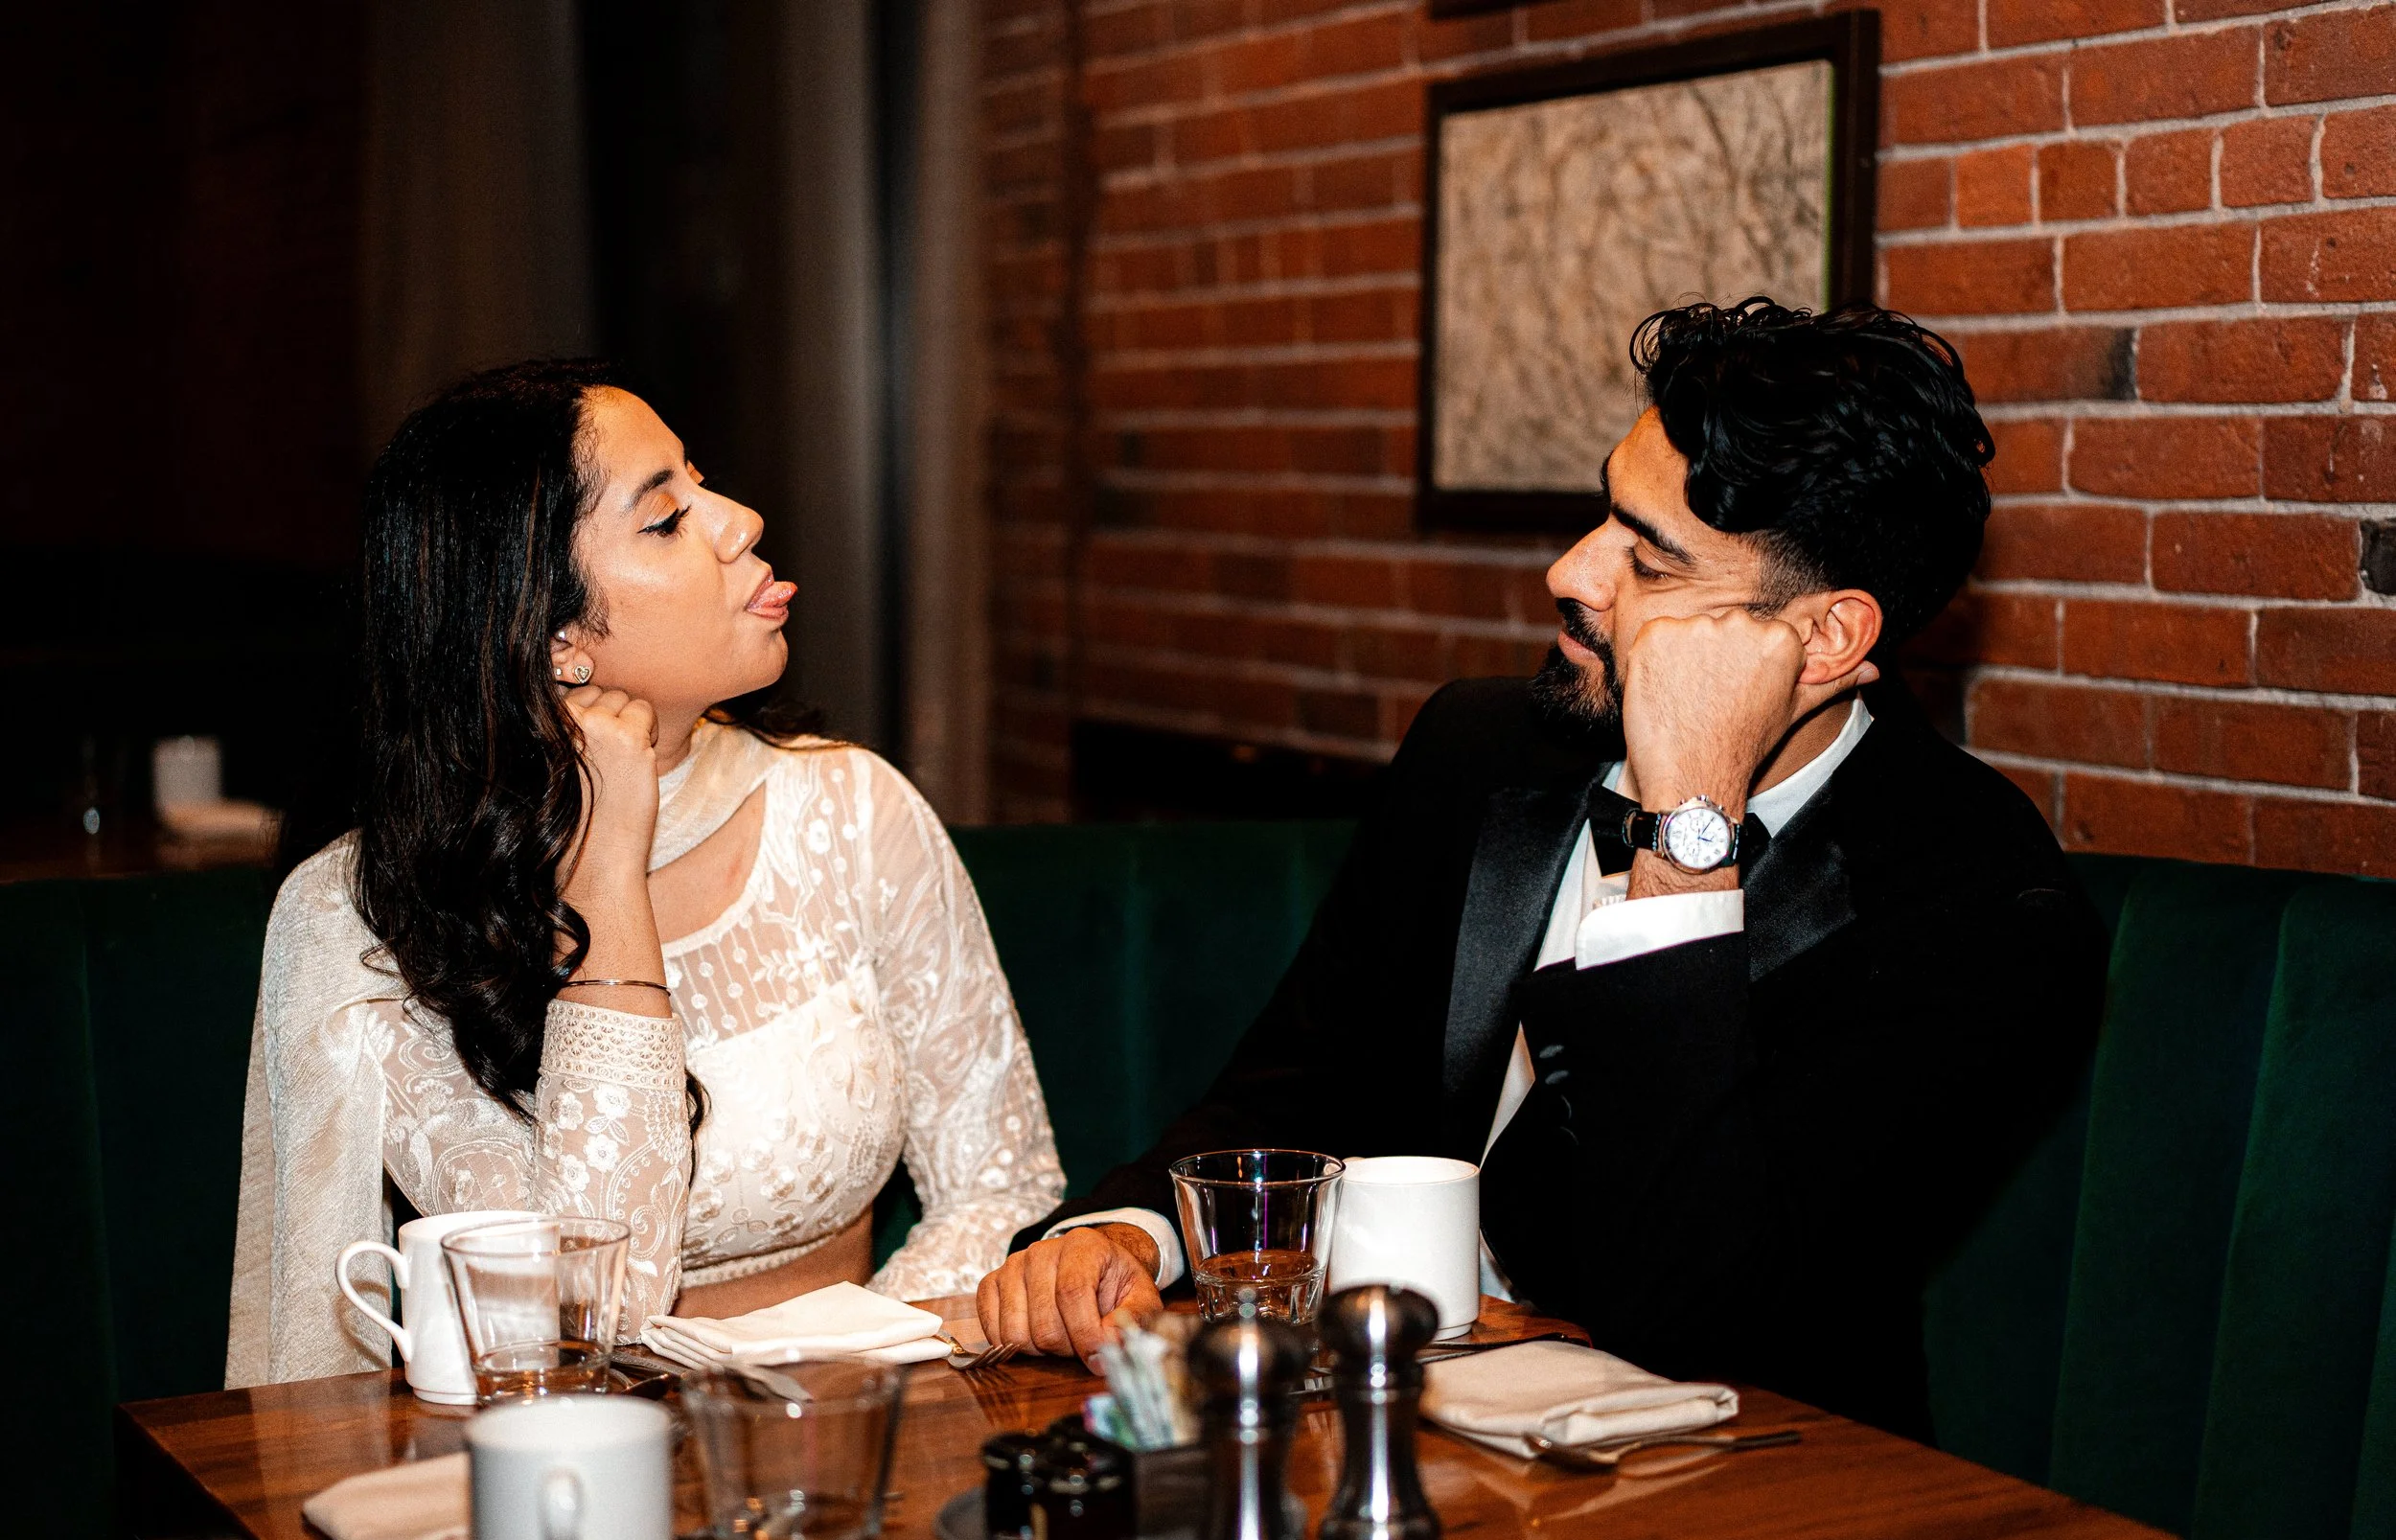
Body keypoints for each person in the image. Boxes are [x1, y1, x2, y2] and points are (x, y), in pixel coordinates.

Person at [978, 299, 2108, 1439]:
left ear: (1823, 640)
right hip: (1384, 1423)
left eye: (1649, 561)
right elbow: (1300, 1082)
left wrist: (1684, 833)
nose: (1570, 572)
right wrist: (1129, 1230)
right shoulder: (1480, 748)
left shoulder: (1979, 902)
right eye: (1601, 515)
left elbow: (1693, 1310)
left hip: (1743, 1480)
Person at [227, 359, 1063, 1386]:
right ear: (557, 633)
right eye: (666, 519)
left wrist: (838, 1382)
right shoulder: (364, 914)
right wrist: (608, 887)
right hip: (552, 1462)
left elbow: (997, 1182)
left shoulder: (850, 806)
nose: (743, 520)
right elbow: (588, 1310)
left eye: (701, 483)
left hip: (857, 1432)